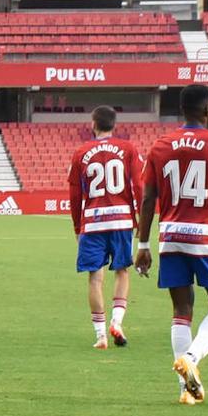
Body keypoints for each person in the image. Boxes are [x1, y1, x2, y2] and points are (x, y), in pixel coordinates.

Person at [134, 84, 208, 404]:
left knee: (181, 309)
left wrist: (142, 245)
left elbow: (147, 199)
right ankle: (192, 359)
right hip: (207, 239)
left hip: (170, 237)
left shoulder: (160, 145)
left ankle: (185, 390)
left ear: (182, 110)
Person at [68, 106, 143, 349]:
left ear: (93, 123)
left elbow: (75, 193)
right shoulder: (128, 149)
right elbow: (138, 186)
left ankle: (100, 336)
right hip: (122, 219)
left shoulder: (81, 152)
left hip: (93, 220)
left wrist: (77, 226)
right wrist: (140, 217)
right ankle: (117, 322)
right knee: (122, 272)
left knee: (95, 278)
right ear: (114, 124)